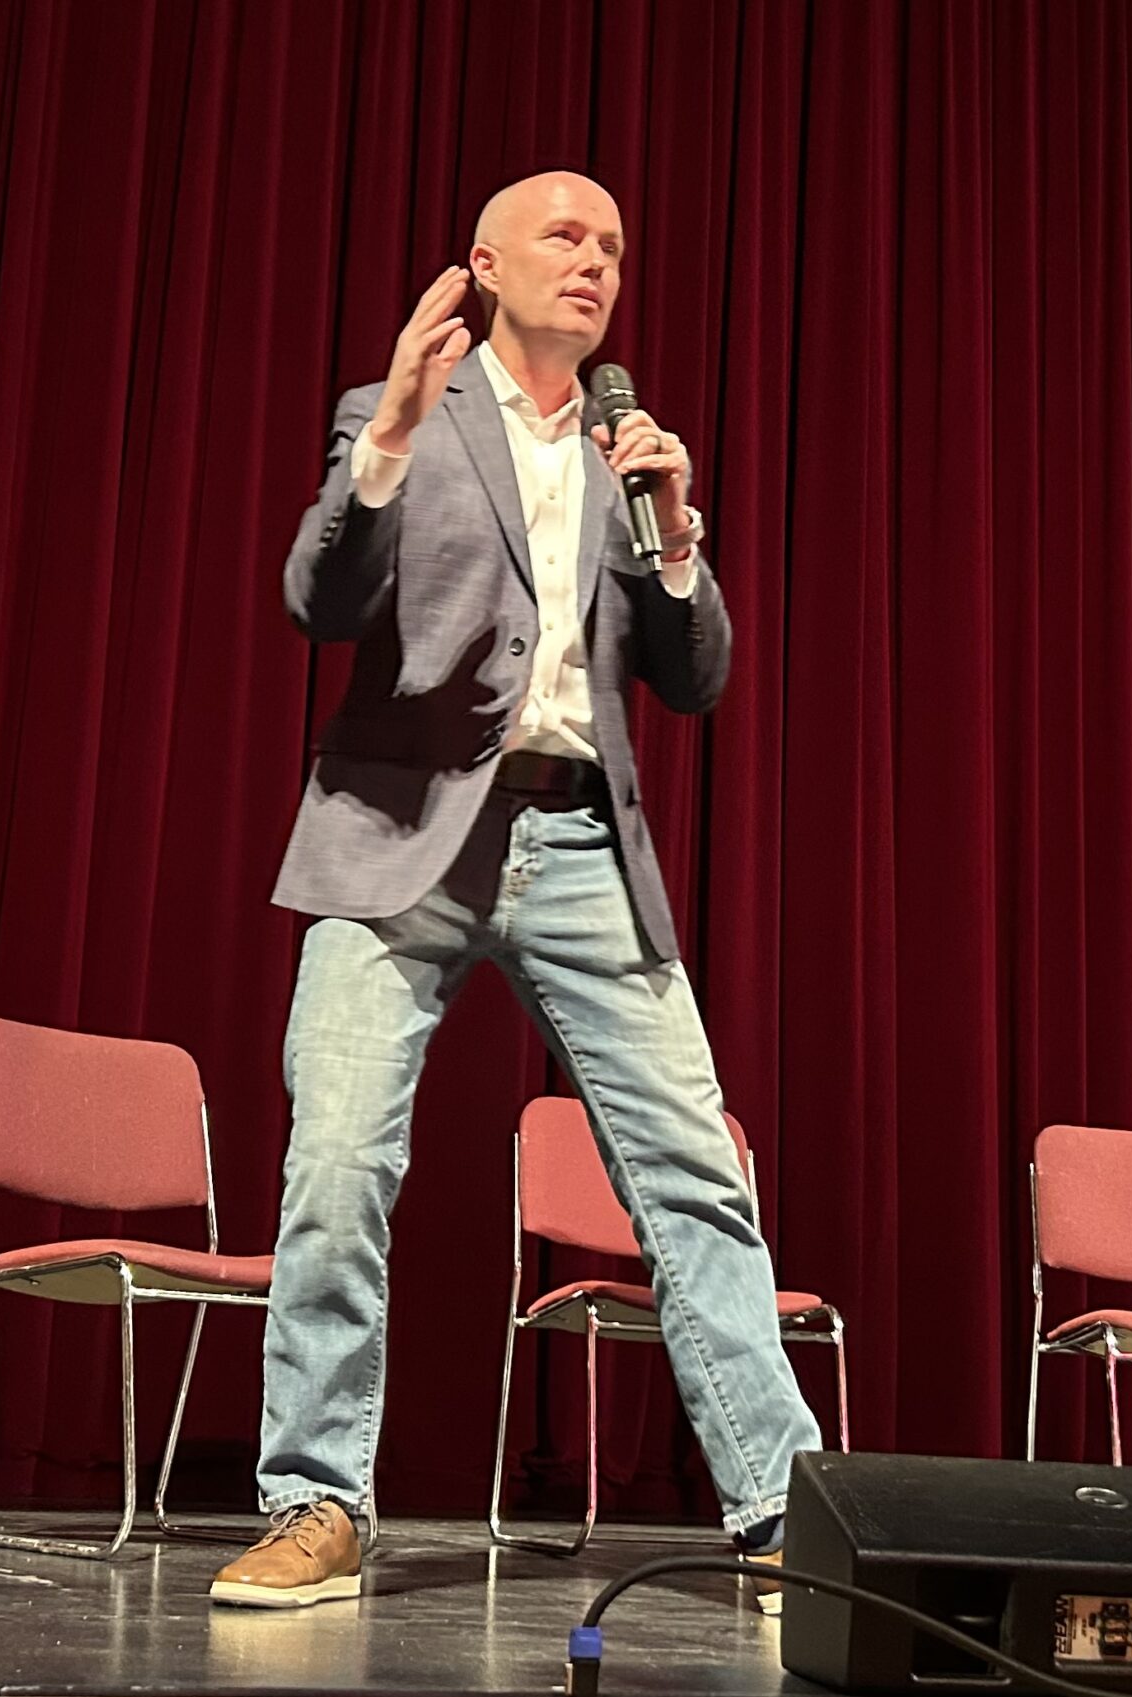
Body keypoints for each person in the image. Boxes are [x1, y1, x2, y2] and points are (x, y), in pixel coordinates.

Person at [208, 171, 820, 1610]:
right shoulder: (394, 408)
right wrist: (395, 445)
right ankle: (317, 1502)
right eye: (565, 234)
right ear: (484, 263)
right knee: (340, 1168)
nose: (596, 258)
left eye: (614, 242)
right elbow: (320, 599)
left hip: (582, 849)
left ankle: (785, 1510)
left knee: (694, 1180)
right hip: (399, 834)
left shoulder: (625, 447)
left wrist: (673, 532)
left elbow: (696, 675)